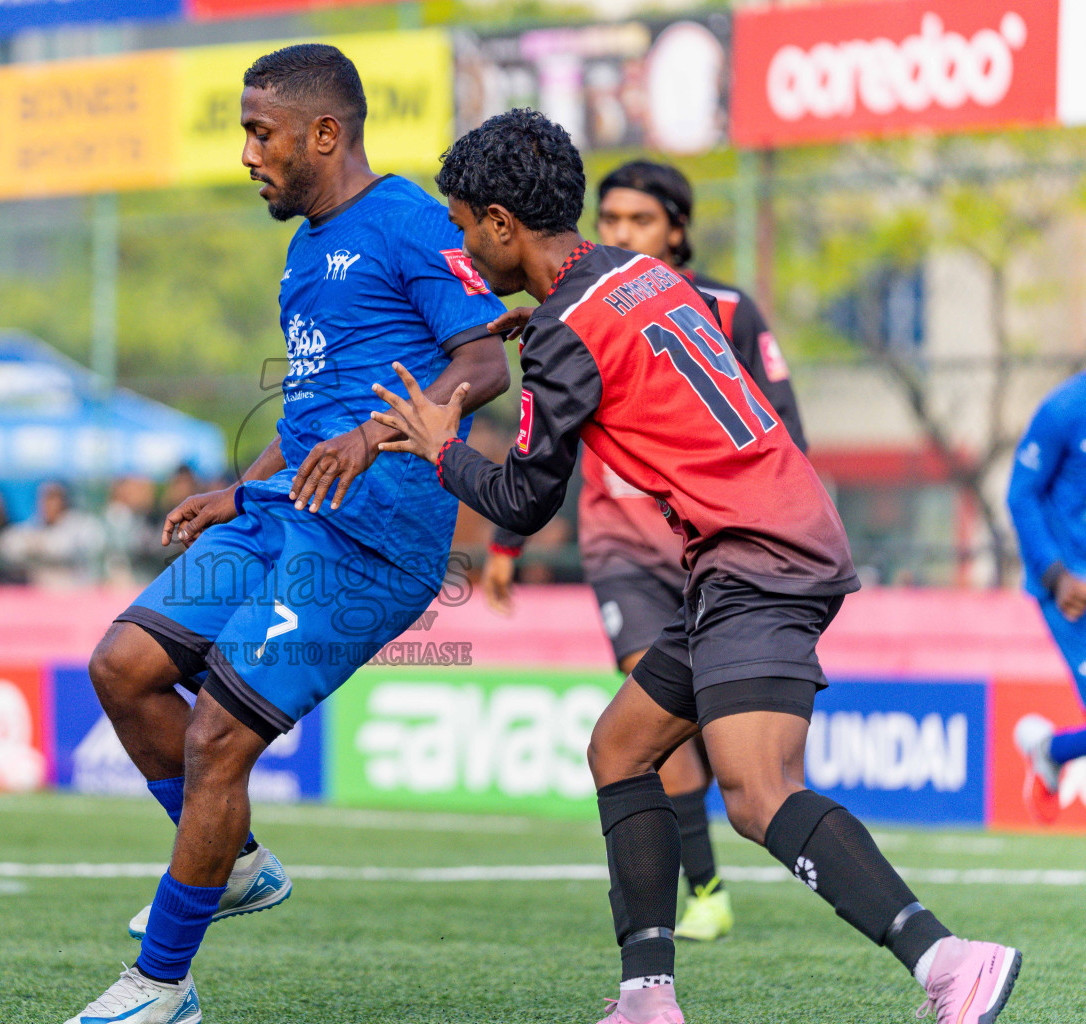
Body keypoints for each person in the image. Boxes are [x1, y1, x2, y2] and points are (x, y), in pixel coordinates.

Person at [372, 109, 1020, 1024]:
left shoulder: (564, 331)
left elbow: (521, 500)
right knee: (620, 749)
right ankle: (647, 997)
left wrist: (442, 448)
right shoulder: (637, 273)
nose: (462, 244)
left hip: (759, 556)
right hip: (755, 545)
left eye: (464, 224)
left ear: (502, 224)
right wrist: (545, 326)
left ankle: (951, 962)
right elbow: (609, 337)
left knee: (758, 794)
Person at [67, 43, 510, 1024]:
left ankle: (161, 986)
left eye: (260, 133)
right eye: (245, 133)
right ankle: (234, 863)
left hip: (372, 542)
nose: (247, 154)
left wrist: (374, 437)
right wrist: (242, 487)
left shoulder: (406, 220)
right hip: (282, 511)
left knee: (219, 735)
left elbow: (484, 364)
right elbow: (312, 411)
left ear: (324, 133)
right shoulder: (306, 250)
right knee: (123, 666)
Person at [483, 159, 809, 942]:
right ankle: (705, 891)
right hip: (622, 548)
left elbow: (783, 428)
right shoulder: (574, 311)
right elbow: (547, 441)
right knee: (646, 720)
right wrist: (507, 543)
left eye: (641, 220)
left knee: (719, 744)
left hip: (718, 547)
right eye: (613, 219)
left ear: (677, 230)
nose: (623, 232)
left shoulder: (724, 309)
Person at [1007, 371, 1086, 822]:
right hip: (1072, 594)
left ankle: (1052, 750)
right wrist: (1056, 575)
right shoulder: (1064, 409)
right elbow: (1021, 495)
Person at [0, 480, 107, 589]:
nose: (48, 504)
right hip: (39, 591)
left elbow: (68, 548)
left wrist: (37, 545)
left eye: (53, 498)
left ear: (64, 500)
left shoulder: (80, 525)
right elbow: (9, 546)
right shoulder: (33, 526)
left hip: (73, 590)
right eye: (44, 498)